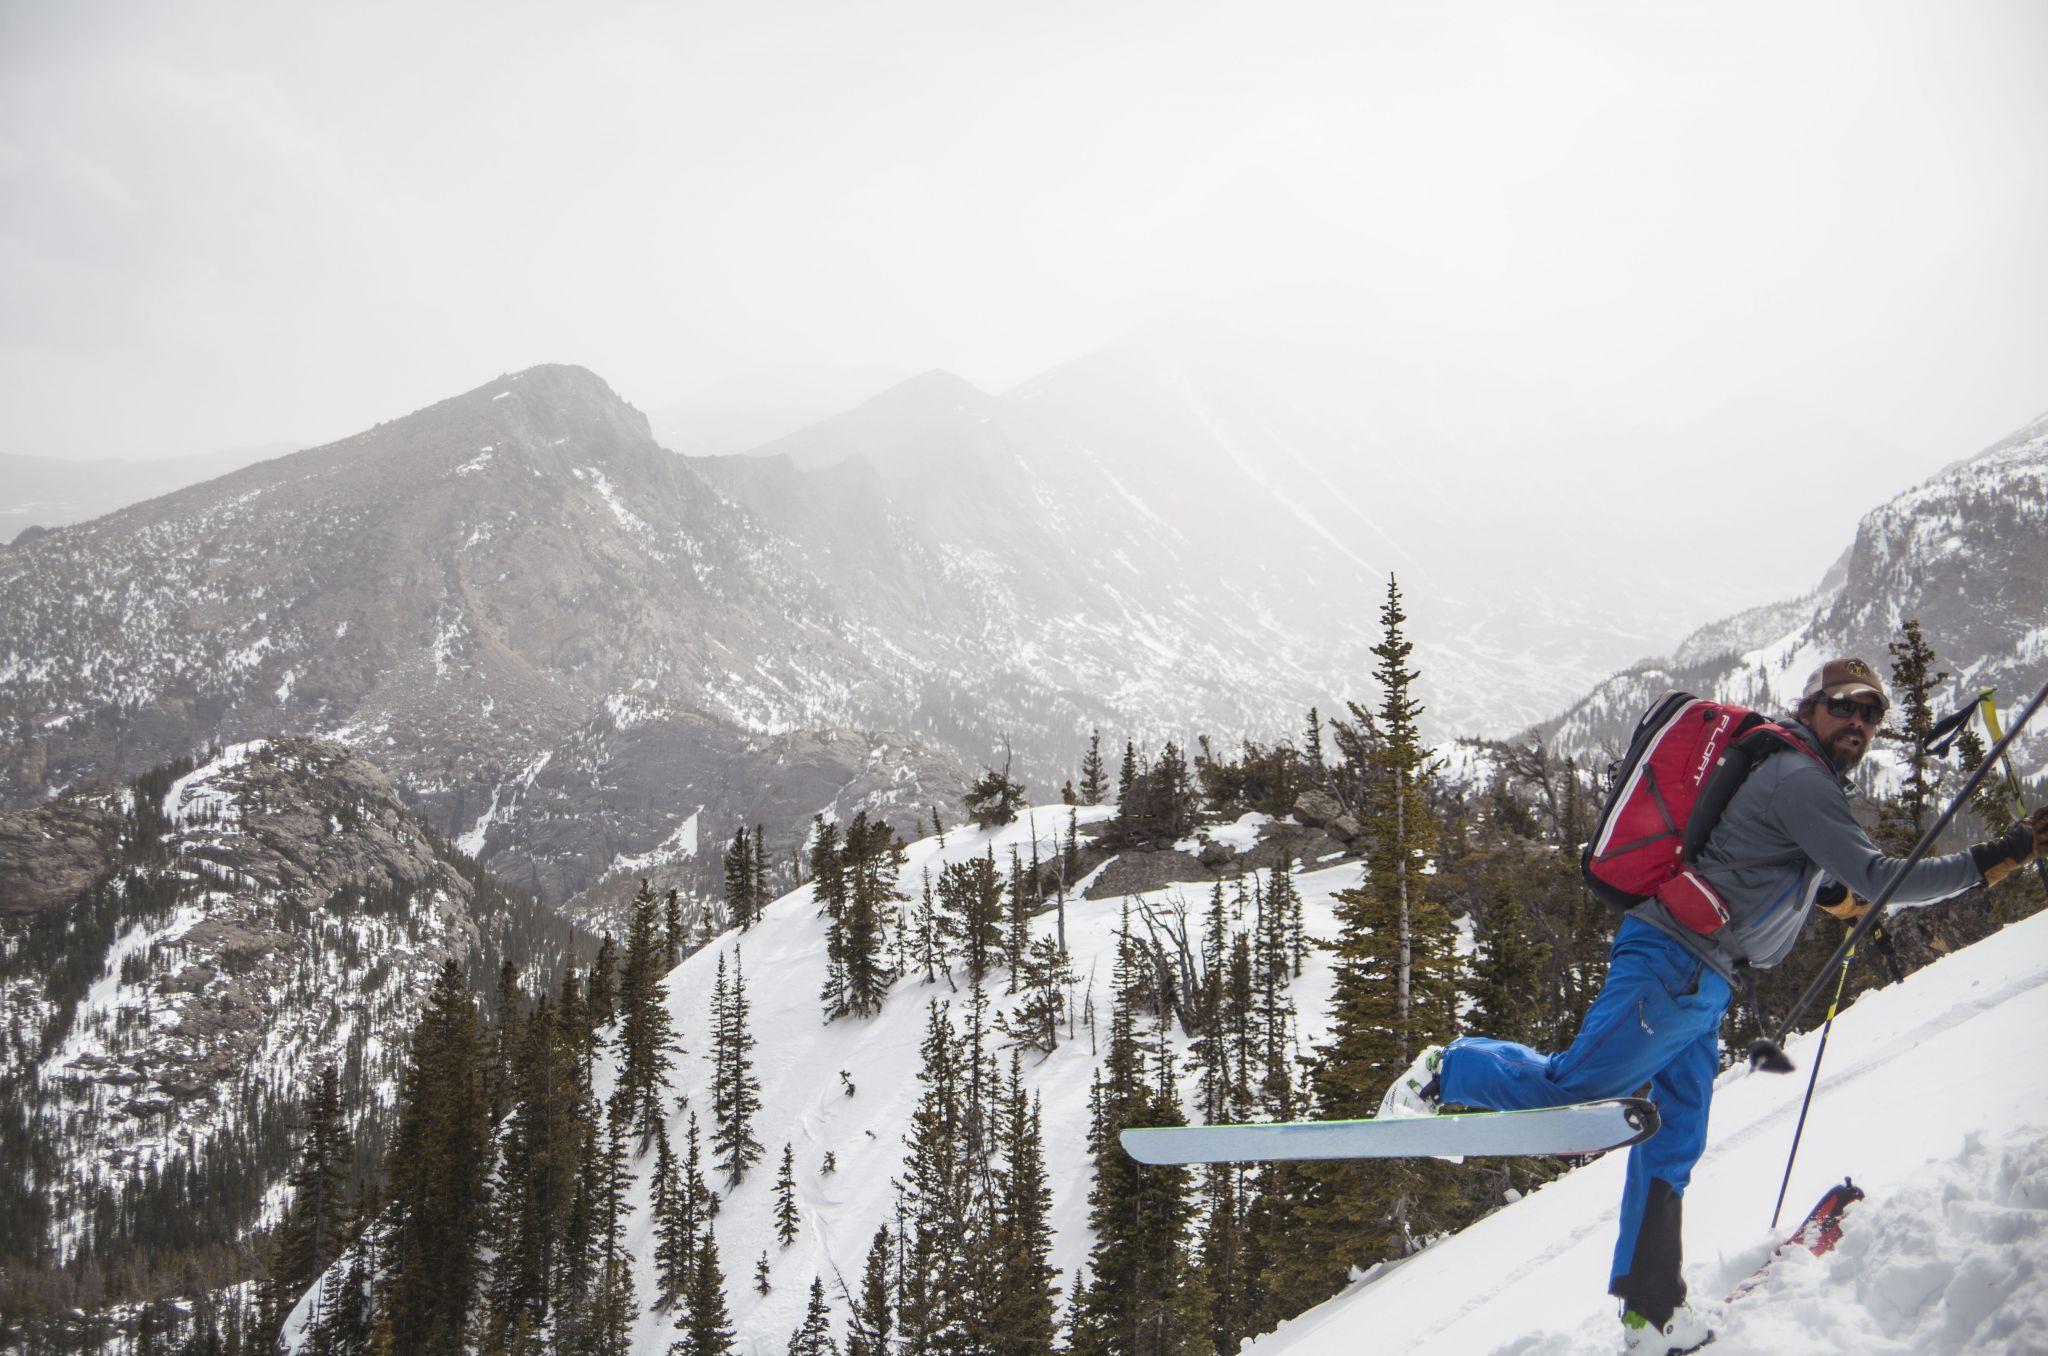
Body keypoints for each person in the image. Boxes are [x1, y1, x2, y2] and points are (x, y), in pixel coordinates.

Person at [1377, 657, 2048, 1355]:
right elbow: (1883, 877)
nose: (1858, 722)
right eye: (1846, 705)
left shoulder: (1794, 774)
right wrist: (2004, 853)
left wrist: (1834, 899)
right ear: (1812, 706)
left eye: (1872, 713)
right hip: (1673, 965)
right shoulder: (1800, 778)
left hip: (1703, 978)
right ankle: (1445, 1071)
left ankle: (1652, 1310)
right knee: (1578, 1089)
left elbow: (1779, 867)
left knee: (1674, 1140)